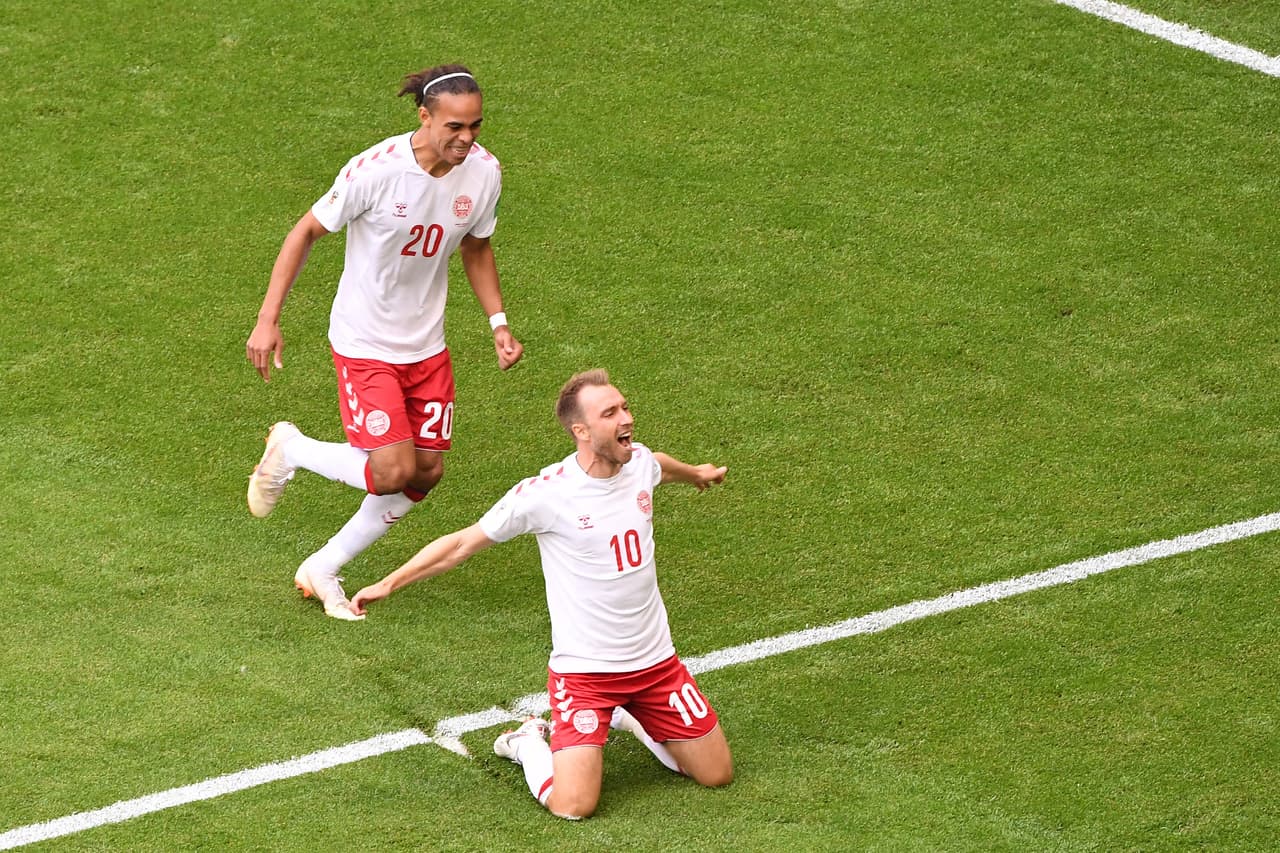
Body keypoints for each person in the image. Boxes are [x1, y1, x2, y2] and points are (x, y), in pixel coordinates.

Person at [351, 369, 734, 818]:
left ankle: (629, 714)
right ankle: (526, 742)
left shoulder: (639, 464)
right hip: (586, 677)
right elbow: (462, 544)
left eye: (624, 407)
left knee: (717, 774)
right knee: (574, 806)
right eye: (610, 413)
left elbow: (659, 464)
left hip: (656, 666)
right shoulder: (546, 495)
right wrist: (388, 582)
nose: (626, 418)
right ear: (582, 431)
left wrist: (696, 474)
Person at [244, 64, 523, 621]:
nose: (466, 138)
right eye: (454, 126)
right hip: (365, 341)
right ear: (424, 116)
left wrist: (498, 323)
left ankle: (322, 566)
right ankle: (291, 448)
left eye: (475, 125)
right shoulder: (375, 170)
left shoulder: (484, 172)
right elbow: (305, 232)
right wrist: (267, 317)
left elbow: (476, 248)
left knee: (426, 472)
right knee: (392, 470)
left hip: (427, 345)